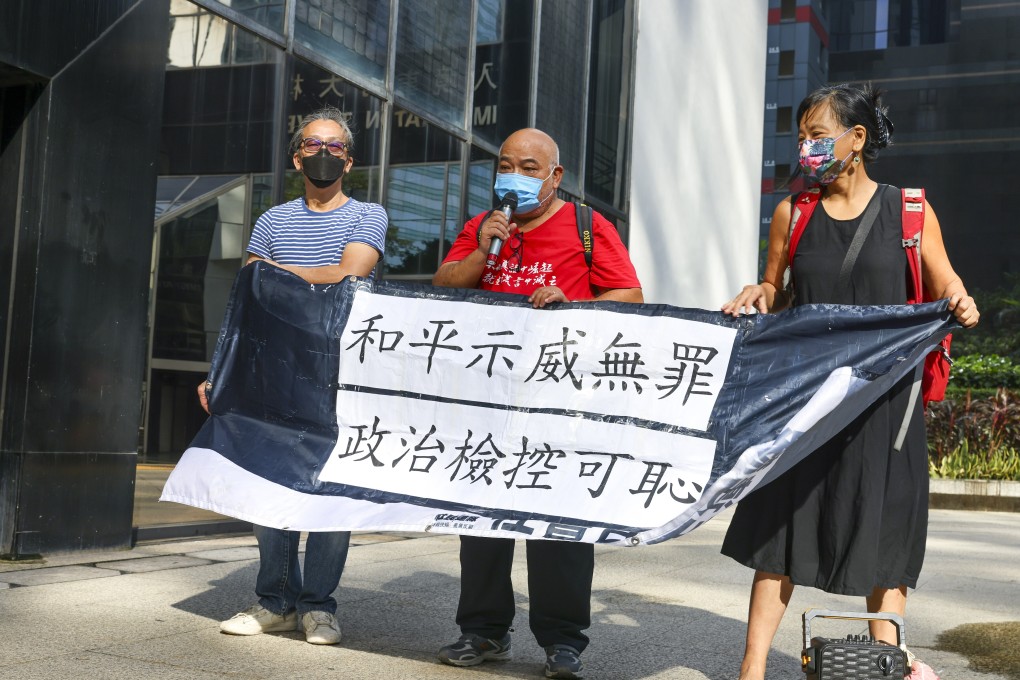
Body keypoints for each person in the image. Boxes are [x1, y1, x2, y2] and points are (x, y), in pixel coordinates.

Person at [720, 83, 979, 680]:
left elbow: (947, 284)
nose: (807, 147)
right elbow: (778, 293)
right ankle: (751, 668)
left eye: (819, 135)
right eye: (802, 136)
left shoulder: (909, 210)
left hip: (888, 405)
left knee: (885, 535)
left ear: (856, 139)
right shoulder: (794, 212)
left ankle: (886, 663)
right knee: (782, 529)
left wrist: (960, 302)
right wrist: (760, 292)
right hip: (809, 403)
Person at [432, 128, 643, 680]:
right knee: (480, 522)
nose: (514, 177)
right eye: (505, 165)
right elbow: (445, 285)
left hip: (558, 401)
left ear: (555, 177)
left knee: (557, 524)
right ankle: (482, 630)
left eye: (529, 168)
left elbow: (630, 294)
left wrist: (570, 302)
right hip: (486, 398)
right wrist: (483, 251)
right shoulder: (483, 227)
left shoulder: (587, 226)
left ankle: (562, 639)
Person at [196, 106, 387, 645]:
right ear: (296, 155)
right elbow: (247, 299)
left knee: (331, 490)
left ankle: (318, 606)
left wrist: (275, 273)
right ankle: (275, 600)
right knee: (268, 485)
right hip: (269, 372)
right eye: (311, 145)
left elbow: (349, 275)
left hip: (339, 372)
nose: (321, 154)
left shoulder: (367, 215)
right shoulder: (272, 220)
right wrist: (221, 371)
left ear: (348, 159)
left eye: (333, 146)